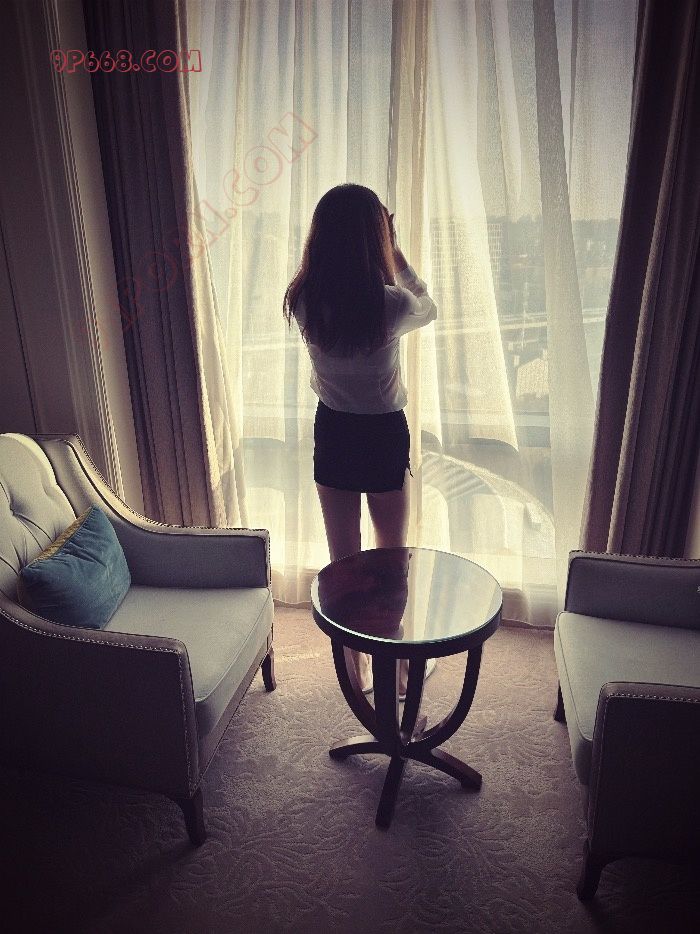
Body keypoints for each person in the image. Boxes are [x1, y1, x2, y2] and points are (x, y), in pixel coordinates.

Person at [283, 183, 438, 696]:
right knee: (392, 558)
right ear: (376, 237)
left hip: (333, 430)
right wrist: (397, 254)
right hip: (382, 433)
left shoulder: (303, 299)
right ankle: (396, 670)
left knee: (343, 559)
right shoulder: (391, 304)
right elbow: (429, 307)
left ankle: (355, 669)